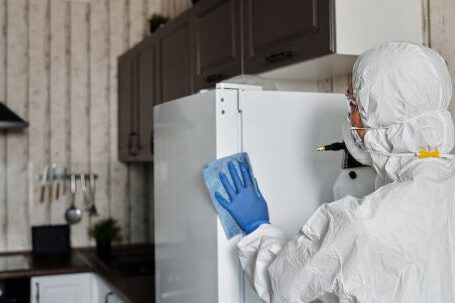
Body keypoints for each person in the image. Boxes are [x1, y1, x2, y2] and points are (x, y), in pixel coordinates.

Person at [215, 42, 455, 302]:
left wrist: (256, 229)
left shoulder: (363, 224)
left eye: (354, 104)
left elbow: (281, 285)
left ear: (385, 117)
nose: (350, 118)